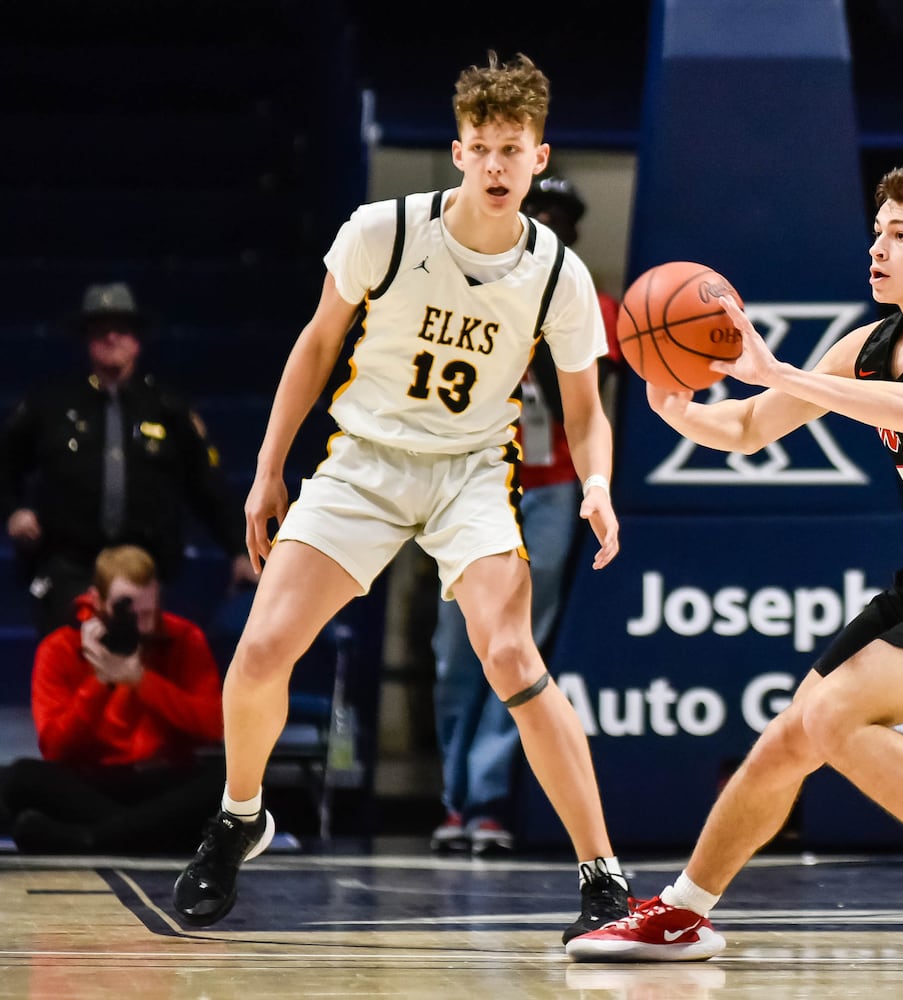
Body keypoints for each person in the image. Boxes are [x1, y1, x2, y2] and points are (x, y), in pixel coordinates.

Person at [170, 52, 631, 943]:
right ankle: (237, 818)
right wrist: (269, 467)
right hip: (366, 464)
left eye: (514, 149)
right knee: (263, 648)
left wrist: (598, 485)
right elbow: (314, 345)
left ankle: (603, 875)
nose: (497, 166)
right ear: (457, 152)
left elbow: (586, 410)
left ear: (540, 158)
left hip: (470, 474)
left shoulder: (558, 275)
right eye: (483, 147)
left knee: (510, 657)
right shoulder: (385, 229)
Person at [569, 167, 903, 971]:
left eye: (901, 235)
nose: (878, 247)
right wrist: (677, 408)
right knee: (787, 739)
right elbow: (747, 429)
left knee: (833, 717)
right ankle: (685, 913)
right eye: (877, 231)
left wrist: (777, 371)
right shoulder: (864, 346)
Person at [428, 175, 623, 856]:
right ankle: (452, 799)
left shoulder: (589, 302)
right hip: (468, 483)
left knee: (518, 644)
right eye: (539, 212)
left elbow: (630, 363)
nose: (549, 225)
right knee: (456, 649)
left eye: (561, 218)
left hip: (549, 485)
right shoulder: (472, 289)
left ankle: (484, 800)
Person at [0, 282, 255, 635]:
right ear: (86, 340)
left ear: (137, 340)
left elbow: (206, 484)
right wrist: (13, 510)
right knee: (68, 672)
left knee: (142, 679)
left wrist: (239, 548)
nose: (111, 338)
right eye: (100, 330)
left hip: (147, 569)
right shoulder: (50, 405)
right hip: (68, 565)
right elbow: (6, 462)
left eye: (121, 329)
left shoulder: (167, 408)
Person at [0, 545, 224, 854]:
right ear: (97, 600)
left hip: (162, 778)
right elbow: (55, 747)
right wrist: (100, 680)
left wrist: (143, 682)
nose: (140, 624)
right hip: (91, 781)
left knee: (227, 778)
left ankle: (89, 839)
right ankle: (152, 838)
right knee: (20, 778)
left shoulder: (184, 638)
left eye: (149, 612)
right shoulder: (60, 647)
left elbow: (213, 727)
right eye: (130, 612)